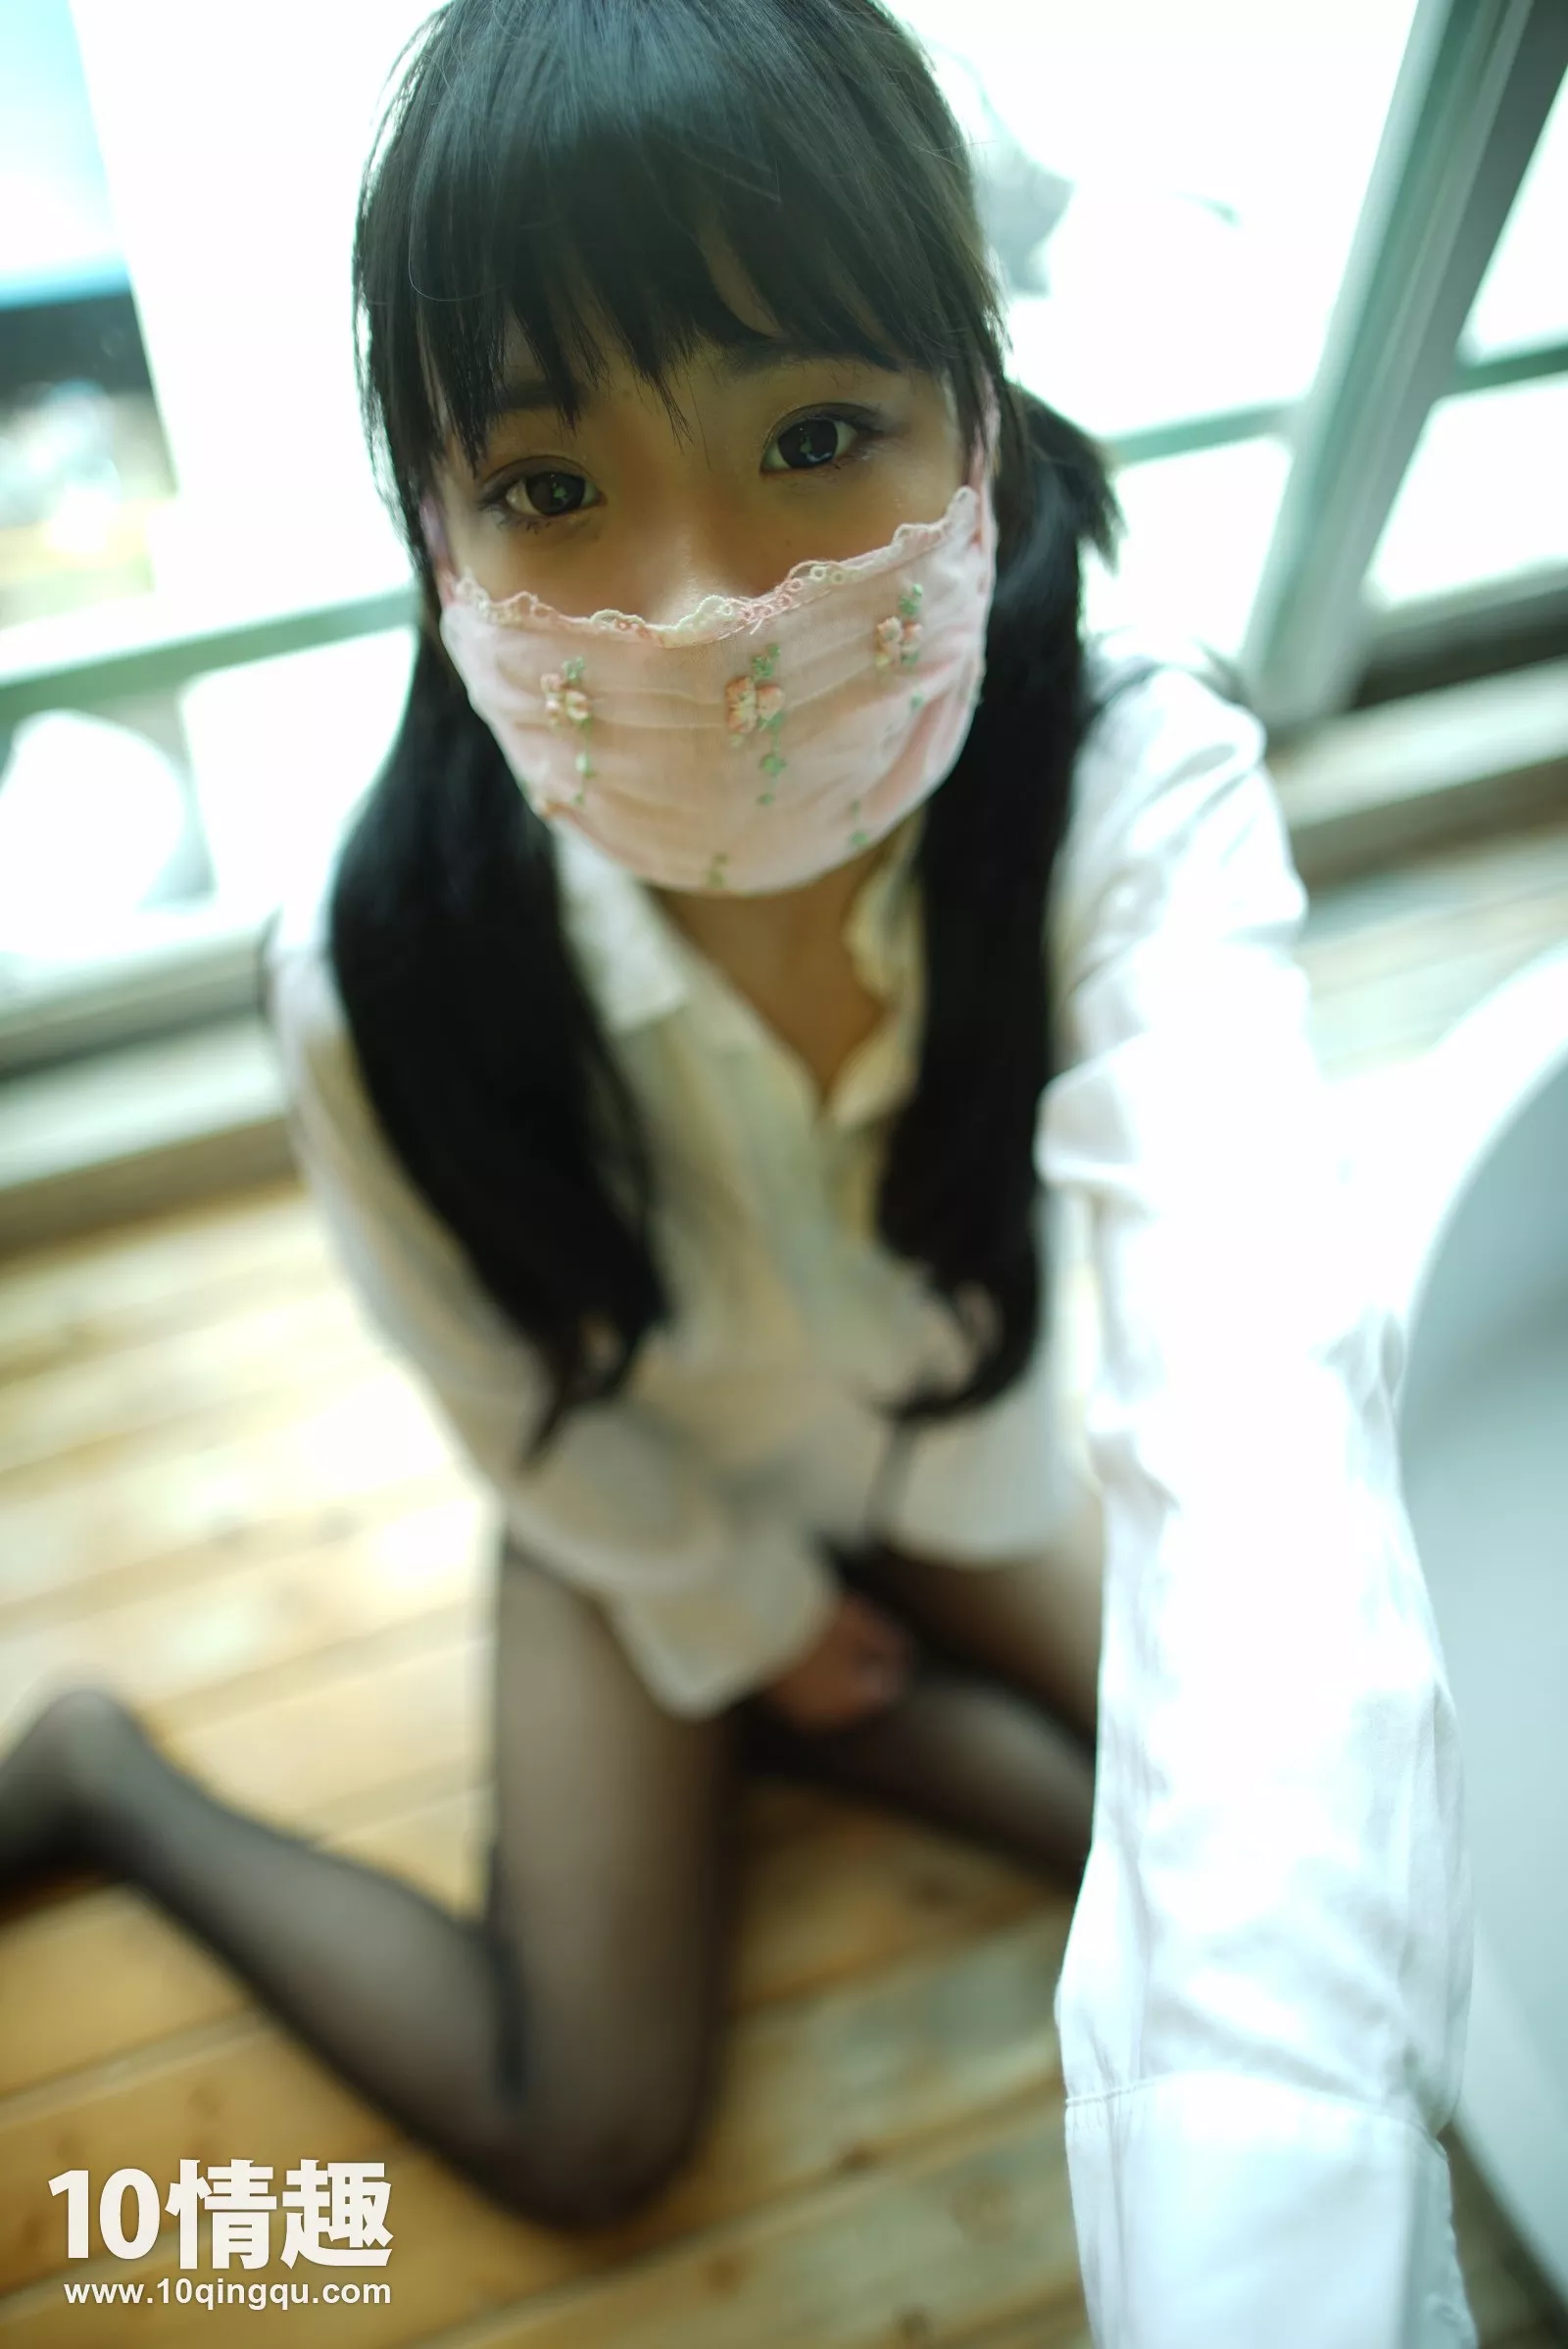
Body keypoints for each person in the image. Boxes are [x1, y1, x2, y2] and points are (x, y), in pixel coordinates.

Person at [0, 0, 1476, 2336]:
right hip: (640, 1486)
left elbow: (1264, 1462)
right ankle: (105, 1778)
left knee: (1238, 1834)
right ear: (429, 527)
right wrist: (732, 1607)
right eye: (550, 486)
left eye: (808, 434)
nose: (696, 600)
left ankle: (839, 1713)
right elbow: (497, 1387)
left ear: (973, 410)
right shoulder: (377, 957)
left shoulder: (1127, 789)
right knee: (583, 2122)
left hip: (947, 1428)